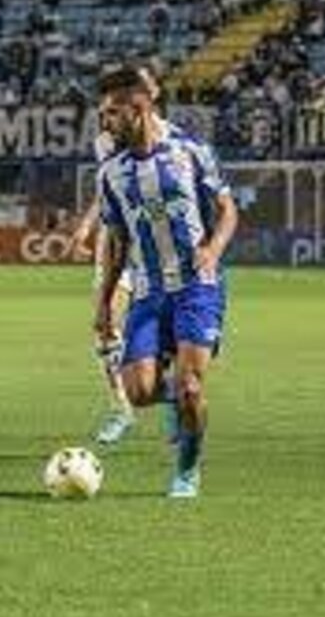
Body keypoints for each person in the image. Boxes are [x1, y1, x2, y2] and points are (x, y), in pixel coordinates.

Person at [93, 66, 239, 498]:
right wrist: (103, 305)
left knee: (192, 386)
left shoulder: (190, 151)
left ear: (138, 109)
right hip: (148, 291)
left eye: (112, 114)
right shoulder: (111, 174)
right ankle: (174, 396)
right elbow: (117, 242)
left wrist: (212, 249)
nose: (105, 123)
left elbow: (228, 209)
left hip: (198, 286)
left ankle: (187, 471)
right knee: (139, 392)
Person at [70, 67, 178, 446]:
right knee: (104, 323)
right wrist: (87, 225)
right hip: (118, 238)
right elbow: (108, 189)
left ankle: (172, 403)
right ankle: (121, 408)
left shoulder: (171, 139)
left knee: (166, 329)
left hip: (157, 240)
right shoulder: (105, 140)